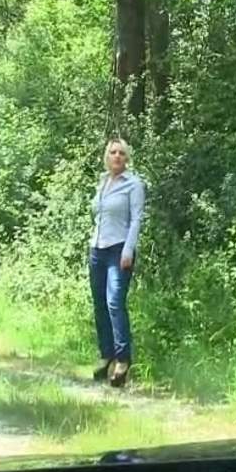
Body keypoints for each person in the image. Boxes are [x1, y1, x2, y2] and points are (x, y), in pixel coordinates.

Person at [89, 137, 145, 387]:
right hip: (97, 249)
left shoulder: (133, 184)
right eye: (113, 152)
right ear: (107, 156)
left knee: (114, 302)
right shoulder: (103, 181)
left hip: (119, 249)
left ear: (127, 157)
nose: (117, 156)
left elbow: (136, 219)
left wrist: (128, 251)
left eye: (121, 153)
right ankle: (106, 355)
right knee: (100, 303)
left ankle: (123, 359)